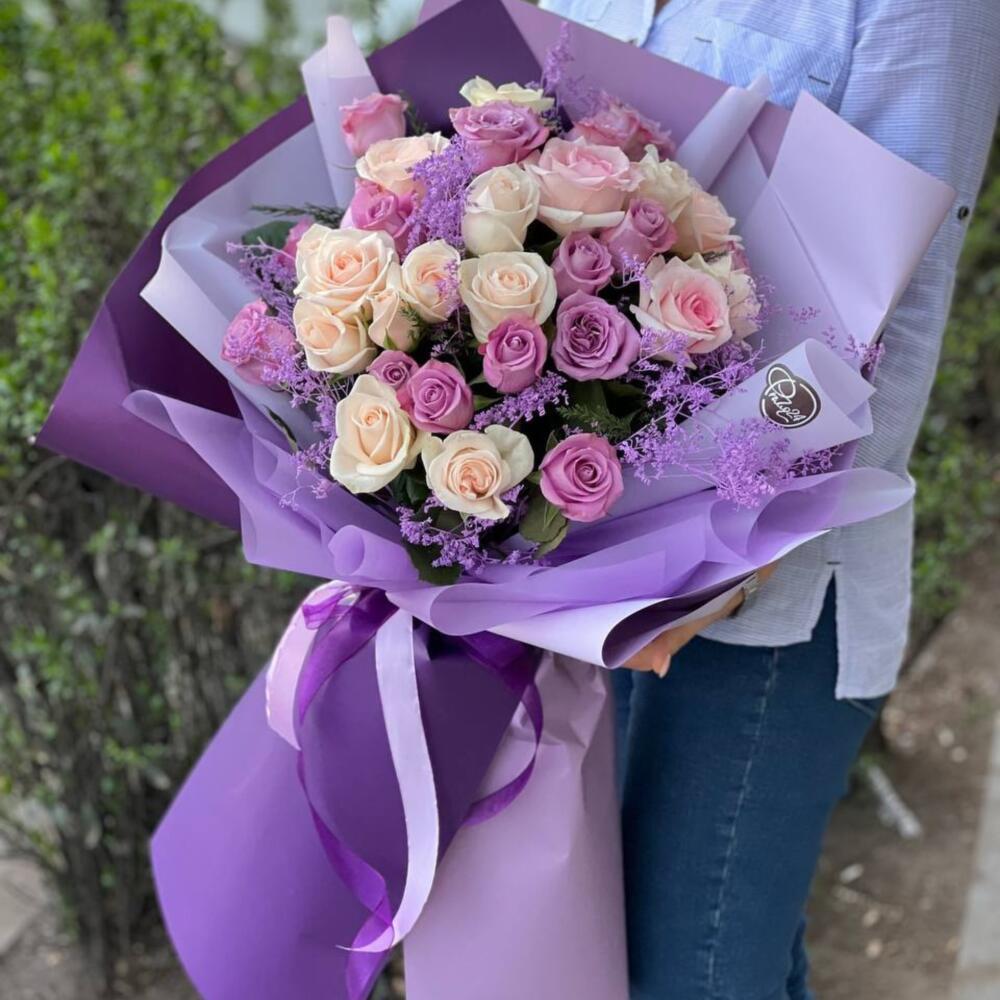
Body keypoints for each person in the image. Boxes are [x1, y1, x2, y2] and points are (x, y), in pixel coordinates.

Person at [540, 1, 1000, 998]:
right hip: (559, 566)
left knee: (693, 974)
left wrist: (724, 554)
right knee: (595, 961)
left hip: (761, 604)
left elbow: (898, 316)